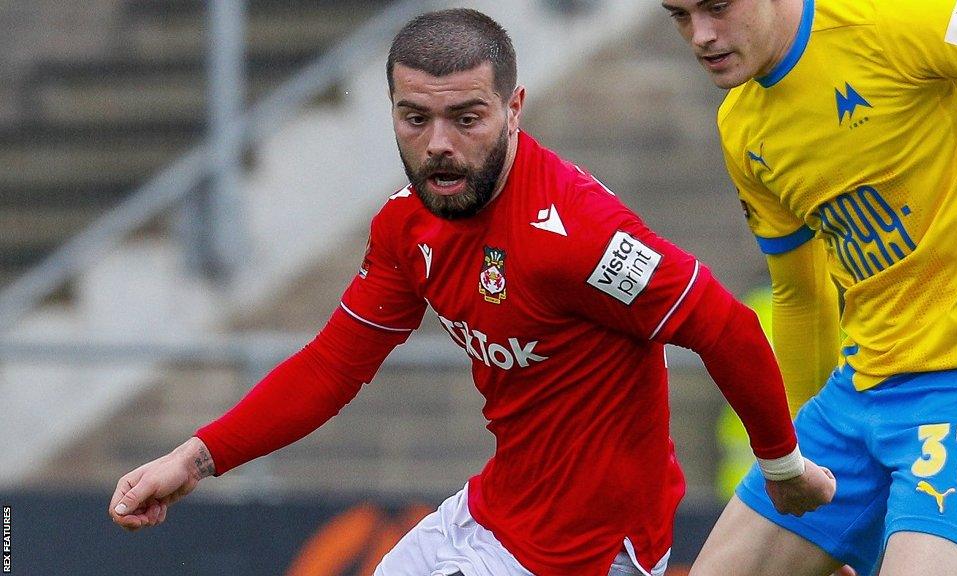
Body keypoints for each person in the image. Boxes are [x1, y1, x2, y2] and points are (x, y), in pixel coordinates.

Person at [108, 8, 836, 576]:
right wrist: (195, 458)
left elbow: (726, 327)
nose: (439, 145)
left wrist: (782, 467)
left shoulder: (577, 232)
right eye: (415, 119)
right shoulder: (406, 226)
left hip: (586, 551)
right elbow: (334, 365)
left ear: (514, 107)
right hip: (491, 518)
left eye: (467, 118)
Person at [659, 0, 957, 575]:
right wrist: (800, 461)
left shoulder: (895, 21)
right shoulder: (741, 124)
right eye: (679, 15)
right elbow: (800, 297)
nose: (701, 35)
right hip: (854, 400)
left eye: (718, 7)